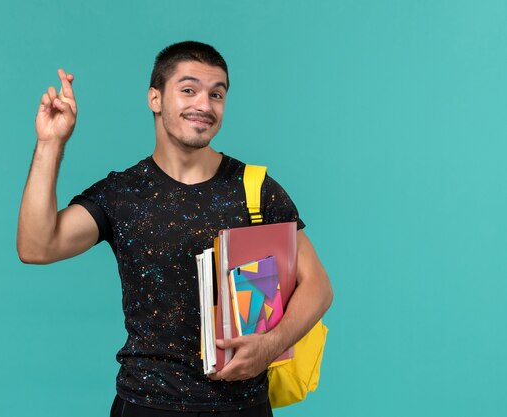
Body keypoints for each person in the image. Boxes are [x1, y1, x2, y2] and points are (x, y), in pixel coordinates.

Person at [17, 41, 333, 416]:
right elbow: (37, 246)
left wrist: (271, 344)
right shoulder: (123, 193)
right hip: (146, 405)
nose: (204, 104)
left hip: (243, 406)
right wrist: (50, 143)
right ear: (155, 99)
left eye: (217, 94)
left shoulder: (256, 189)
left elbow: (318, 285)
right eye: (188, 90)